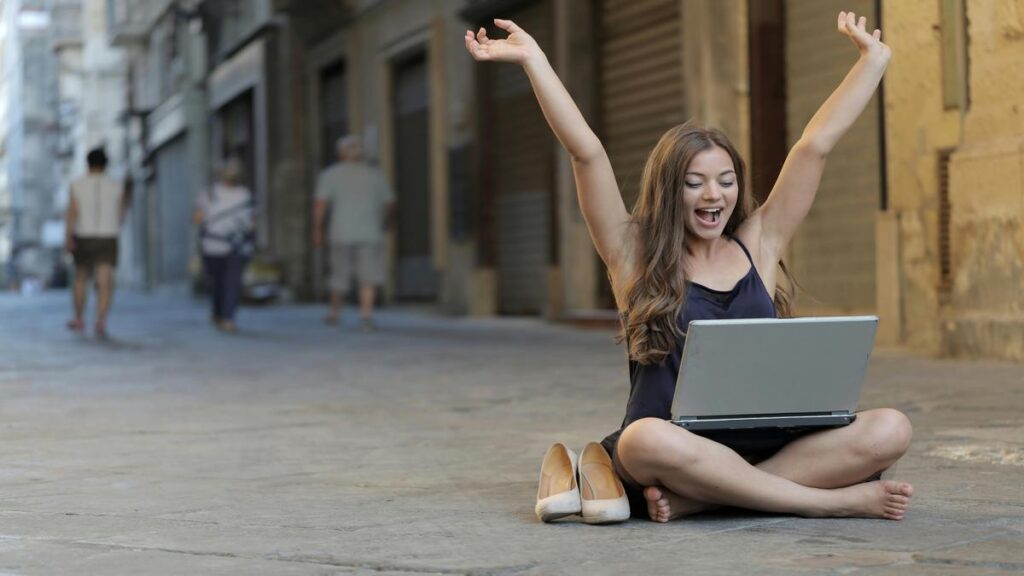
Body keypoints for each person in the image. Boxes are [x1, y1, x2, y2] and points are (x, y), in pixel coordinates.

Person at [466, 11, 914, 522]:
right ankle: (828, 502)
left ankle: (705, 498)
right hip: (677, 449)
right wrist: (534, 60)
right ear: (668, 189)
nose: (713, 195)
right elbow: (585, 152)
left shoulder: (758, 245)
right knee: (641, 441)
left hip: (769, 446)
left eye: (726, 180)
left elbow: (814, 146)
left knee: (891, 427)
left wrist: (873, 62)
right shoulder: (633, 254)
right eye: (694, 182)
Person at [313, 136, 395, 331]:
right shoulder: (375, 175)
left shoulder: (330, 175)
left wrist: (317, 229)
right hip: (370, 231)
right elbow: (390, 203)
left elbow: (320, 205)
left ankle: (334, 313)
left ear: (340, 153)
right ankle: (366, 315)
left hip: (341, 232)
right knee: (368, 276)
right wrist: (386, 222)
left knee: (339, 273)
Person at [64, 146, 130, 338]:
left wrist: (68, 237)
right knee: (105, 278)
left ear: (88, 163)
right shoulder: (116, 185)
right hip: (108, 235)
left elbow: (72, 212)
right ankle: (100, 320)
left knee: (81, 277)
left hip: (84, 235)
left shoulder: (77, 184)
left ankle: (78, 317)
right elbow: (121, 214)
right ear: (105, 164)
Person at [193, 157, 255, 333]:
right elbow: (251, 223)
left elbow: (197, 219)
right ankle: (225, 317)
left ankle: (222, 315)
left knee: (218, 282)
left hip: (212, 245)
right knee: (231, 283)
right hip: (236, 244)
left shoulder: (209, 193)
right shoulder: (245, 194)